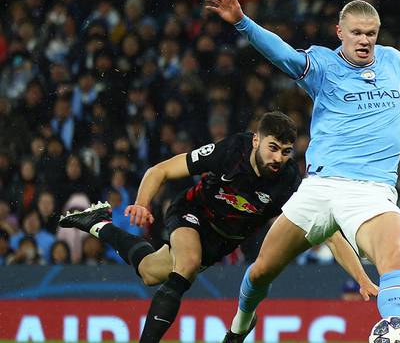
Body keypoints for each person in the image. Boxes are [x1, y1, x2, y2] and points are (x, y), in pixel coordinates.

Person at [204, 0, 400, 342]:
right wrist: (242, 22)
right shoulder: (323, 66)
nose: (365, 41)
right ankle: (241, 324)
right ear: (340, 33)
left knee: (394, 255)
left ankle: (394, 331)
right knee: (261, 272)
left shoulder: (391, 61)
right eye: (357, 33)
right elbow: (282, 54)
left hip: (371, 191)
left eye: (371, 34)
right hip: (319, 188)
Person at [59, 111, 375, 343]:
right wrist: (142, 203)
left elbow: (330, 233)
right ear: (256, 141)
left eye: (286, 151)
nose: (278, 157)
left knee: (150, 272)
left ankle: (98, 223)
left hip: (223, 241)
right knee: (187, 263)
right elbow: (160, 171)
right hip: (191, 213)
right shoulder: (231, 151)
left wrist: (361, 276)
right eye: (273, 147)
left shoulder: (290, 183)